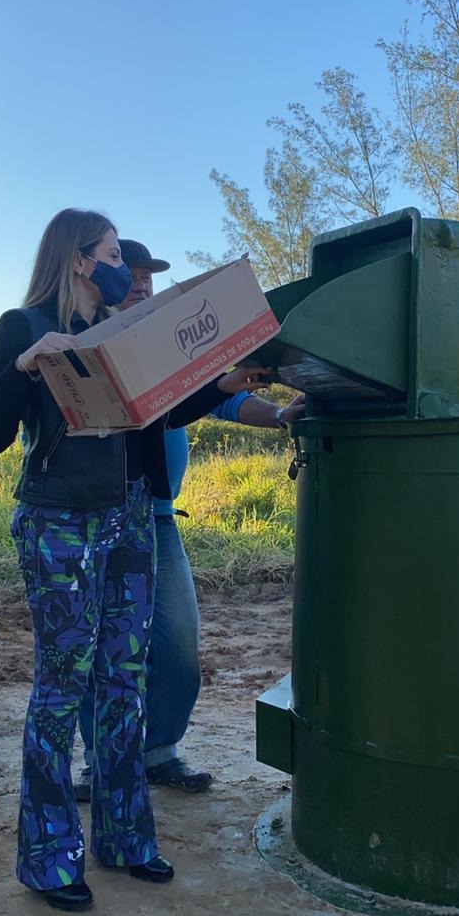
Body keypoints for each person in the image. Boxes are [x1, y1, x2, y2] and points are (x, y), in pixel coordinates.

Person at [0, 209, 265, 912]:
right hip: (59, 522)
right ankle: (47, 857)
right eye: (108, 254)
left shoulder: (123, 333)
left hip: (129, 519)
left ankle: (126, 836)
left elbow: (156, 412)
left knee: (123, 680)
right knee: (62, 686)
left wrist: (219, 386)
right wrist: (21, 368)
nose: (121, 269)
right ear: (77, 258)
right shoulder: (26, 326)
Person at [75, 238, 305, 800]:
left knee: (178, 642)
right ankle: (100, 763)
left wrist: (278, 415)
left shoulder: (169, 353)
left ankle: (159, 752)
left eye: (149, 277)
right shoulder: (88, 348)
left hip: (158, 519)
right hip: (98, 520)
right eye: (130, 274)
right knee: (102, 648)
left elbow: (217, 399)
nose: (142, 284)